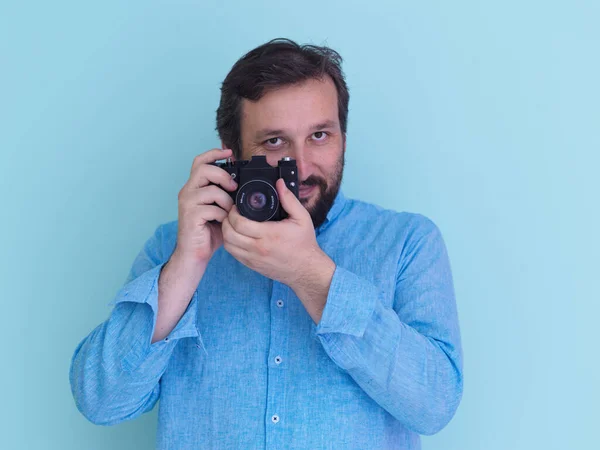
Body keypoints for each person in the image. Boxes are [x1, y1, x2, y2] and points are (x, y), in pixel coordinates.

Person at [69, 38, 463, 449]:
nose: (303, 166)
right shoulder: (173, 246)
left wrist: (313, 277)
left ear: (343, 137)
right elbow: (100, 402)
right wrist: (185, 267)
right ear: (233, 150)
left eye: (320, 135)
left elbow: (434, 405)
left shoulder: (407, 243)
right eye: (274, 142)